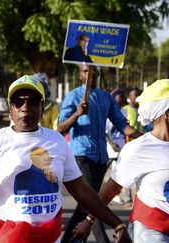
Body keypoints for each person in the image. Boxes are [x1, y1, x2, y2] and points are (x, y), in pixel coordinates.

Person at [0, 75, 131, 242]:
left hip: (49, 236)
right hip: (8, 236)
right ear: (10, 108)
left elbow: (81, 190)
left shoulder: (56, 140)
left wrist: (117, 224)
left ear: (43, 108)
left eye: (33, 101)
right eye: (18, 101)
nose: (25, 107)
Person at [72, 79, 169, 242]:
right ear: (167, 113)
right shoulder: (137, 149)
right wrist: (89, 220)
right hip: (151, 231)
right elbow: (111, 189)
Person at [58, 65, 142, 243]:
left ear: (98, 73)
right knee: (93, 203)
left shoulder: (105, 97)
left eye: (93, 71)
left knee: (87, 204)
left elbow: (121, 125)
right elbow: (59, 128)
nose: (90, 75)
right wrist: (77, 114)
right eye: (86, 71)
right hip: (82, 155)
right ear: (80, 74)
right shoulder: (73, 97)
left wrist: (146, 138)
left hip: (101, 158)